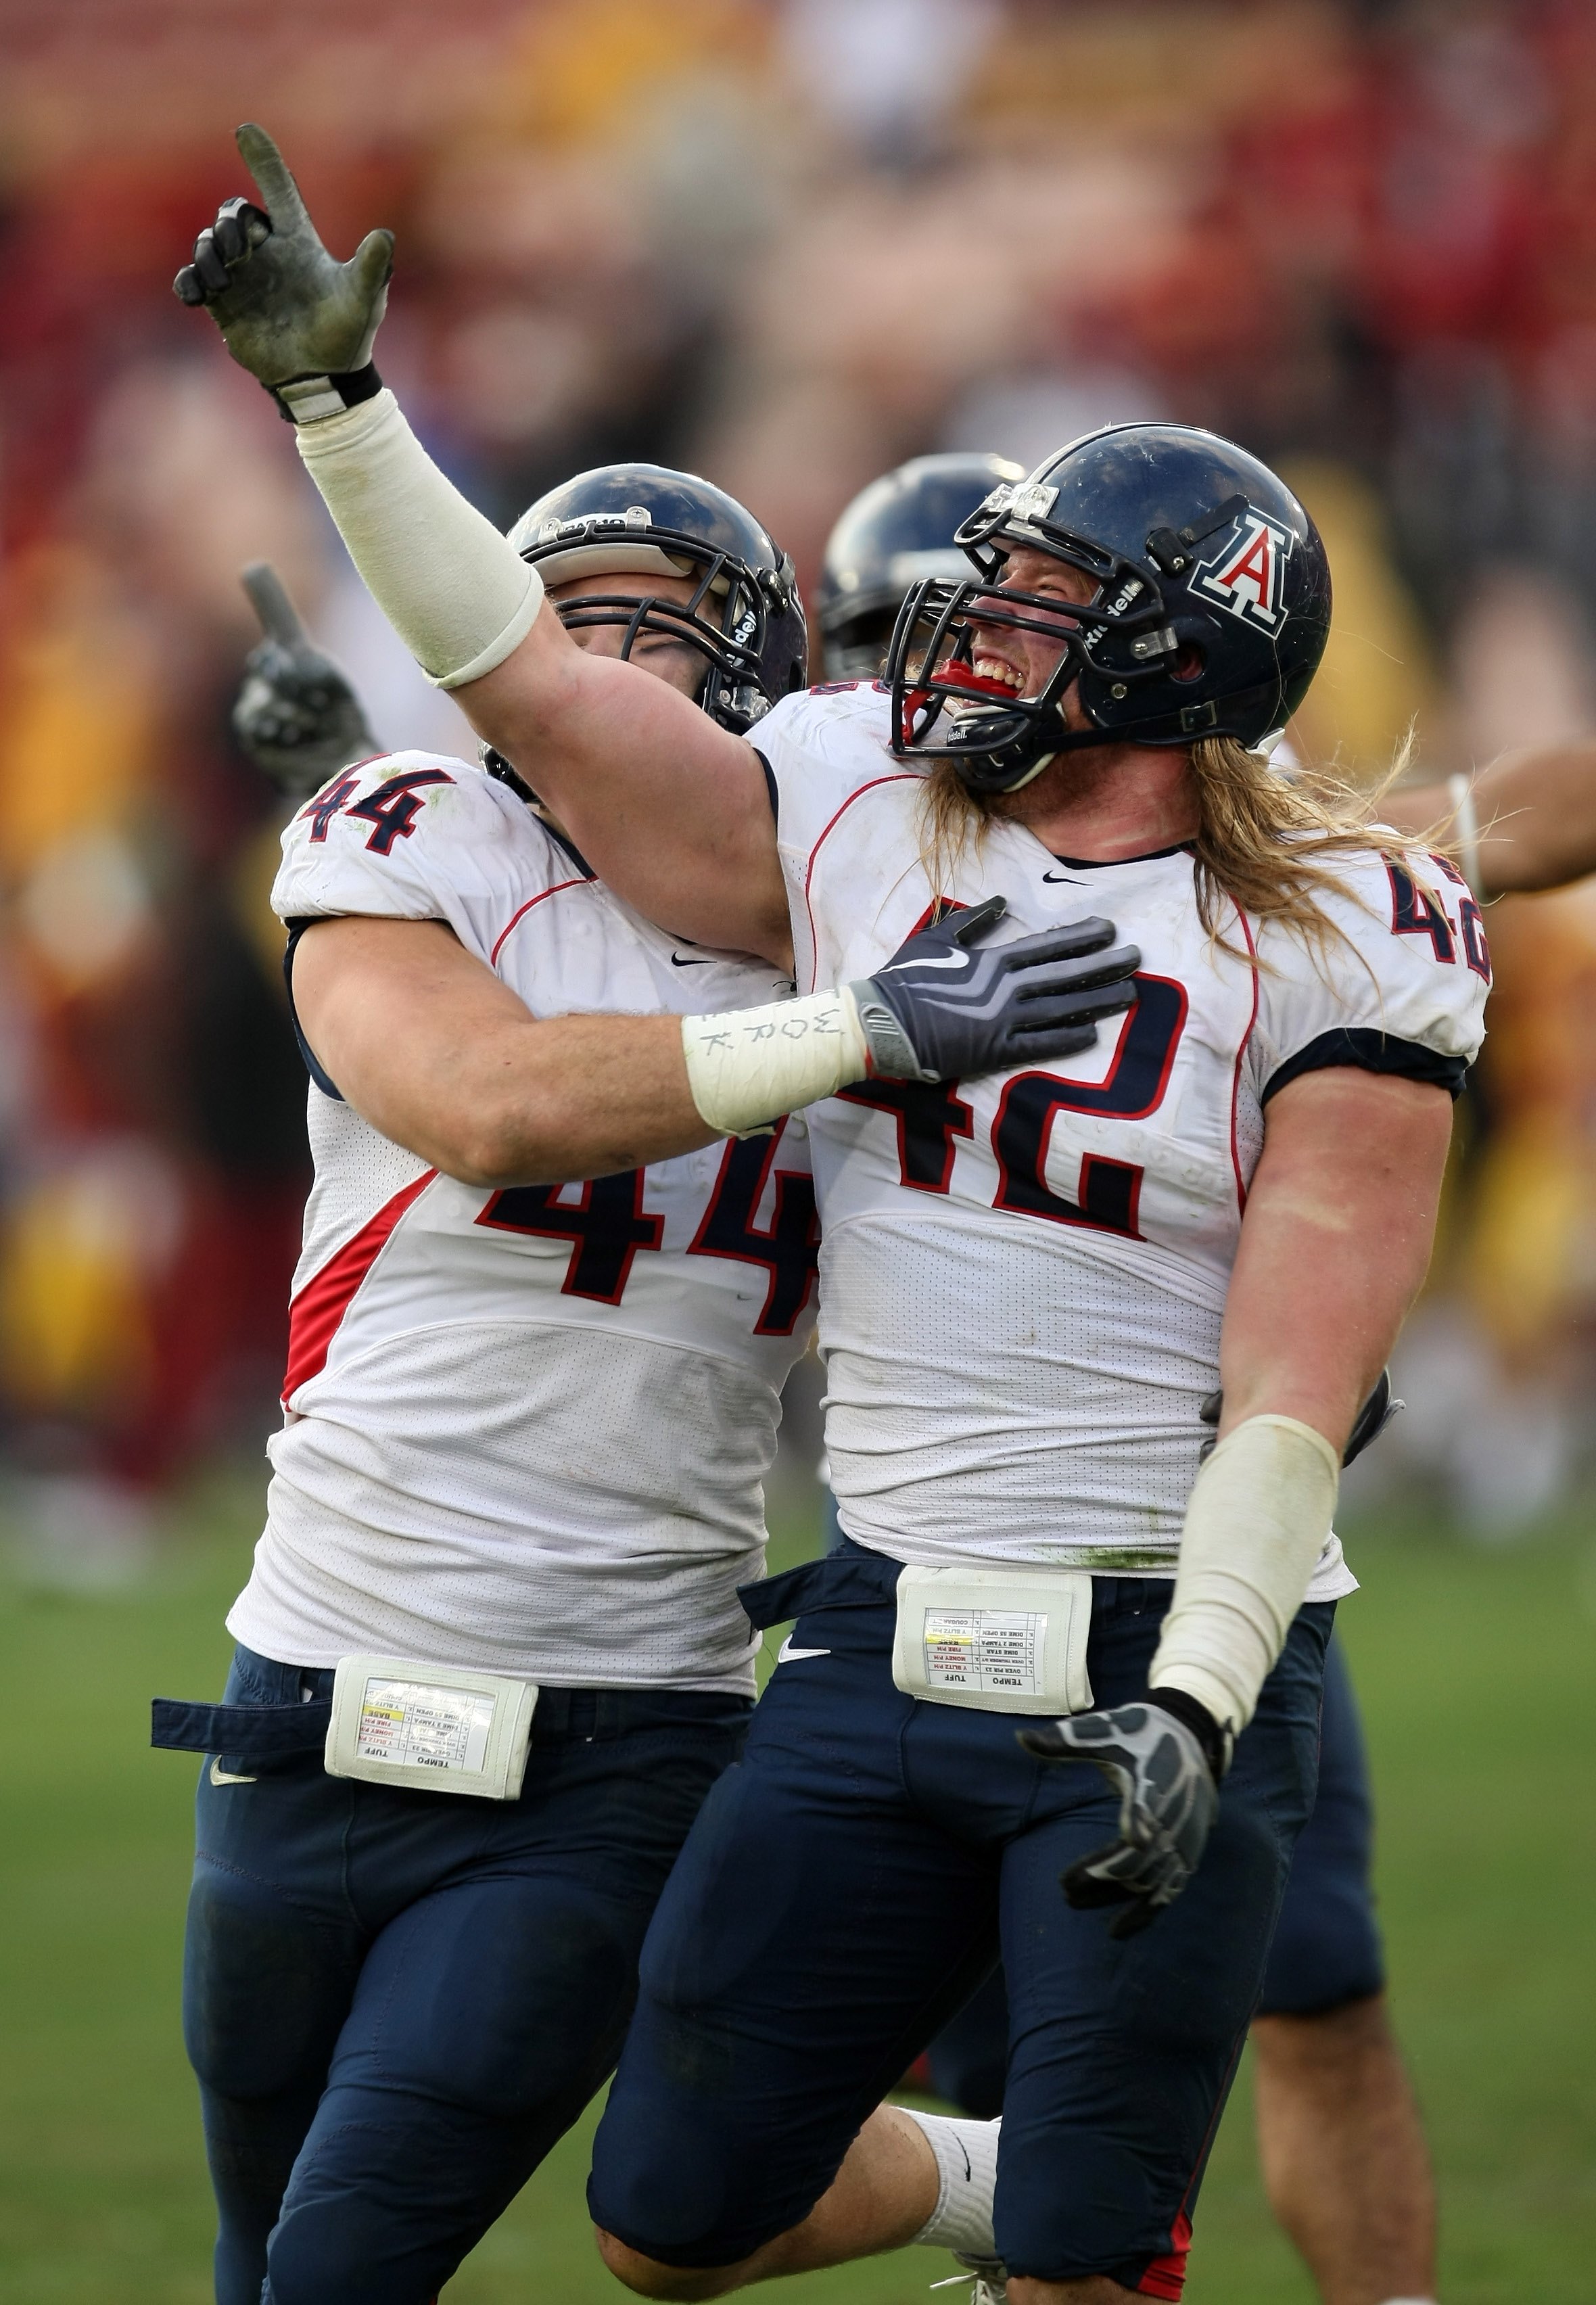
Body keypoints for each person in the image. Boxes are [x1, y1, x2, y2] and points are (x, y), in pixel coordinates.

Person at [173, 131, 1488, 2304]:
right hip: (867, 1640)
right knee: (665, 2222)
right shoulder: (861, 807)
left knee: (1082, 2259)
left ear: (1175, 659)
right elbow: (533, 688)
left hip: (1156, 1635)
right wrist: (346, 416)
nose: (973, 635)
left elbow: (1298, 1365)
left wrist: (1208, 1692)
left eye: (1049, 605)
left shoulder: (1346, 923)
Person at [150, 446, 1137, 2305]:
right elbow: (487, 1105)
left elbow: (1085, 1177)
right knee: (250, 2257)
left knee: (335, 2272)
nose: (600, 652)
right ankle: (1014, 2180)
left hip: (606, 1735)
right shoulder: (410, 825)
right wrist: (859, 1034)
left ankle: (1050, 2176)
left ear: (749, 684)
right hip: (300, 1695)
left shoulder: (862, 902)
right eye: (564, 616)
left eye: (656, 626)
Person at [816, 454, 1436, 2305]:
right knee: (959, 2079)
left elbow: (1491, 819)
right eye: (901, 624)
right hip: (920, 1569)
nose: (939, 667)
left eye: (1018, 609)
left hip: (1190, 1563)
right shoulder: (827, 842)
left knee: (1311, 1989)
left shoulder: (1288, 870)